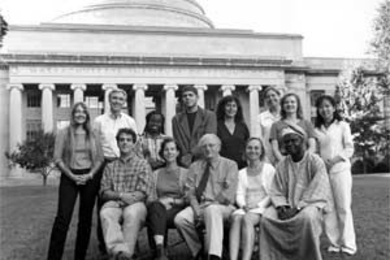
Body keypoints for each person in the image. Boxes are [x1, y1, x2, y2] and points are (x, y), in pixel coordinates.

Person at [259, 124, 332, 260]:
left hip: (309, 205)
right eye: (286, 142)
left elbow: (318, 190)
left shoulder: (316, 161)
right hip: (286, 205)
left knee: (306, 218)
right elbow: (276, 190)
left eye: (294, 140)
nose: (290, 144)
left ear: (303, 141)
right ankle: (274, 256)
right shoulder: (282, 165)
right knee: (266, 218)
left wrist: (298, 207)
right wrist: (281, 206)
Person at [47, 102, 104, 260]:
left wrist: (90, 174)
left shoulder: (93, 133)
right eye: (77, 112)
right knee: (63, 218)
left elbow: (100, 158)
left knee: (85, 220)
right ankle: (53, 256)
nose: (80, 114)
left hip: (90, 178)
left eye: (83, 112)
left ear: (87, 115)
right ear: (72, 114)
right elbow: (57, 158)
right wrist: (72, 176)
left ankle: (80, 256)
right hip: (69, 177)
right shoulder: (63, 133)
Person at [174, 134, 238, 260]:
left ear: (219, 147)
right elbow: (189, 192)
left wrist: (209, 205)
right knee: (180, 219)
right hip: (200, 206)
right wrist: (197, 210)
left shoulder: (230, 165)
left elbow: (228, 195)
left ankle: (214, 256)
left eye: (211, 145)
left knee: (212, 210)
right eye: (204, 147)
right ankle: (198, 251)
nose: (208, 149)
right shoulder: (195, 167)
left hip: (223, 207)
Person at [93, 88, 138, 254]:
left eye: (121, 99)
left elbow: (135, 144)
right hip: (106, 164)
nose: (117, 101)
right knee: (105, 204)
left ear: (124, 102)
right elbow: (95, 146)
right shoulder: (99, 121)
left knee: (127, 203)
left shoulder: (129, 121)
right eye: (114, 98)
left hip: (127, 164)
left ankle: (129, 241)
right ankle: (105, 245)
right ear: (109, 100)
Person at [99, 128, 153, 260]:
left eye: (128, 140)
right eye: (121, 140)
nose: (125, 143)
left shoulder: (143, 164)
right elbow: (104, 192)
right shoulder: (110, 166)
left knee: (131, 213)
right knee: (106, 213)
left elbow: (144, 191)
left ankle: (125, 254)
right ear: (117, 143)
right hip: (115, 203)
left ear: (134, 143)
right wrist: (121, 196)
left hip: (137, 204)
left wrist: (128, 199)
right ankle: (119, 252)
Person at [314, 95, 356, 255]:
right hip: (324, 172)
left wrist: (335, 159)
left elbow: (349, 148)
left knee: (344, 207)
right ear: (318, 110)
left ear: (333, 108)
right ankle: (334, 243)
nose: (325, 109)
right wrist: (321, 162)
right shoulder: (317, 129)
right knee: (328, 208)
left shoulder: (342, 126)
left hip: (340, 170)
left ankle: (349, 245)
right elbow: (315, 151)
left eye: (328, 106)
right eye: (321, 107)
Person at [229, 137, 275, 260]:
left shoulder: (269, 169)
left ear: (261, 151)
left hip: (263, 207)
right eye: (249, 148)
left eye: (256, 148)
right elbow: (239, 193)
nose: (252, 150)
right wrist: (243, 205)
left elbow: (273, 193)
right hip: (246, 206)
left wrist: (259, 205)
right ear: (245, 151)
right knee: (236, 218)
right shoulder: (241, 173)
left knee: (247, 219)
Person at [146, 137, 188, 260]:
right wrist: (159, 203)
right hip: (158, 208)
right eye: (166, 150)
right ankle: (160, 251)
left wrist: (171, 201)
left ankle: (159, 252)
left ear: (178, 152)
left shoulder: (186, 173)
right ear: (162, 153)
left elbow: (187, 198)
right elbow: (151, 196)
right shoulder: (156, 173)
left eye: (172, 149)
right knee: (155, 208)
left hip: (178, 208)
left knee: (155, 213)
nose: (169, 152)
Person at [172, 85, 217, 167]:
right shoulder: (176, 119)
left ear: (197, 97)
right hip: (184, 161)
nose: (187, 98)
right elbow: (178, 140)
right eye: (185, 96)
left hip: (204, 158)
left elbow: (208, 139)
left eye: (190, 95)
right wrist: (185, 157)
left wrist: (191, 154)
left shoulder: (209, 116)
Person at [269, 92, 316, 164]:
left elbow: (312, 146)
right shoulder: (275, 125)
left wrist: (304, 161)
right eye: (286, 102)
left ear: (298, 105)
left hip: (304, 162)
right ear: (282, 106)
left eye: (292, 102)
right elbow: (275, 149)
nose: (289, 104)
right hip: (283, 162)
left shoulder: (307, 123)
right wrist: (284, 162)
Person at [216, 95, 249, 169]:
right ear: (223, 108)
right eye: (228, 105)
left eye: (234, 106)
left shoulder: (242, 126)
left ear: (237, 109)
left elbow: (247, 144)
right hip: (222, 166)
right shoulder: (216, 125)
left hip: (241, 165)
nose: (231, 109)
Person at [255, 87, 282, 165]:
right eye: (268, 97)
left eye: (273, 95)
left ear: (279, 96)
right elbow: (258, 138)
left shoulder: (286, 115)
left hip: (284, 155)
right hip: (267, 157)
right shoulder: (261, 117)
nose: (271, 98)